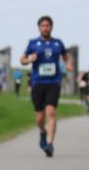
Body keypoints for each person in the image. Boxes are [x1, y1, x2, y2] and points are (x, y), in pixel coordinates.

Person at [19, 15, 73, 158]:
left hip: (53, 82)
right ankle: (43, 132)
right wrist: (29, 59)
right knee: (39, 117)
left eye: (47, 25)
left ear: (51, 27)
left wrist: (68, 64)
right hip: (38, 83)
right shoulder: (33, 43)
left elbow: (66, 56)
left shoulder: (58, 43)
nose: (45, 28)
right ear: (39, 27)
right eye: (42, 25)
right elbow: (22, 59)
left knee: (51, 112)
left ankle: (50, 144)